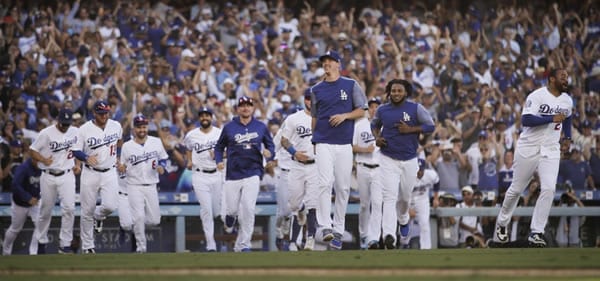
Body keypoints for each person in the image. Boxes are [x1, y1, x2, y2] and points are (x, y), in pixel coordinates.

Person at [494, 68, 573, 247]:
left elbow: (567, 117)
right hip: (529, 146)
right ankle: (502, 223)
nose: (566, 80)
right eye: (563, 77)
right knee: (516, 189)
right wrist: (551, 118)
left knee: (549, 189)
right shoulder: (537, 96)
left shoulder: (567, 100)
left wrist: (567, 138)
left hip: (551, 149)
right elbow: (526, 120)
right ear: (552, 79)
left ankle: (536, 232)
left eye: (567, 77)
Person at [310, 50, 368, 250]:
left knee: (343, 188)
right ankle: (325, 226)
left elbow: (363, 110)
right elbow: (315, 117)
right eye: (324, 61)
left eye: (329, 61)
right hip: (323, 141)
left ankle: (338, 230)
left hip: (344, 142)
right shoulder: (316, 89)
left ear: (337, 63)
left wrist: (345, 116)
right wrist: (314, 139)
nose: (326, 63)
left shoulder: (351, 84)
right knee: (325, 183)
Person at [371, 78, 435, 249]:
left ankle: (404, 219)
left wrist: (411, 130)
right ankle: (389, 235)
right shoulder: (383, 110)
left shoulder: (415, 108)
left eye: (399, 91)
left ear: (406, 92)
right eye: (393, 91)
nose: (396, 94)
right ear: (389, 92)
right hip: (388, 158)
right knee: (389, 197)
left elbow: (430, 126)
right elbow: (374, 124)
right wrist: (377, 138)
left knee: (405, 197)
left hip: (409, 159)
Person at [214, 96, 275, 252]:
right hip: (233, 173)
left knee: (248, 208)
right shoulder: (229, 127)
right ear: (238, 109)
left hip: (253, 172)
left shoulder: (260, 126)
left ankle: (244, 244)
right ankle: (230, 218)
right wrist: (219, 160)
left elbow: (270, 145)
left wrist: (270, 154)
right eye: (242, 106)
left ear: (253, 108)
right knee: (232, 211)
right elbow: (219, 147)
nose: (245, 108)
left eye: (248, 105)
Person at [72, 100, 124, 254]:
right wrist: (86, 157)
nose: (104, 115)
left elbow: (119, 142)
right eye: (101, 113)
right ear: (94, 113)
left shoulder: (116, 126)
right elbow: (75, 151)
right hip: (90, 172)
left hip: (109, 172)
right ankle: (88, 246)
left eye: (106, 112)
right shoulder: (83, 129)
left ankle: (99, 216)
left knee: (110, 206)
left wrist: (118, 159)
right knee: (86, 211)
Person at [29, 108, 79, 254]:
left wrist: (77, 164)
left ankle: (65, 244)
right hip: (48, 175)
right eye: (63, 123)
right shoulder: (46, 133)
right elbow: (32, 151)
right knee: (45, 211)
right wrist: (44, 159)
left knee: (69, 209)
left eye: (67, 124)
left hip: (67, 175)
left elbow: (78, 149)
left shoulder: (74, 131)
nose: (65, 126)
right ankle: (41, 242)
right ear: (58, 120)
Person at [118, 115, 168, 253]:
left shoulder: (156, 142)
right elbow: (122, 166)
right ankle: (141, 248)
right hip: (134, 185)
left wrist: (162, 166)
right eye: (139, 127)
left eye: (144, 126)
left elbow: (163, 158)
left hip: (151, 185)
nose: (142, 129)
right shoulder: (127, 146)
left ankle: (133, 224)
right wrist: (121, 168)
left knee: (154, 220)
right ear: (134, 129)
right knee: (139, 217)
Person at [280, 90, 319, 251]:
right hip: (296, 164)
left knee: (313, 204)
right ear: (305, 100)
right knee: (295, 205)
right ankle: (300, 210)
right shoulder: (294, 118)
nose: (311, 102)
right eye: (308, 99)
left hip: (316, 165)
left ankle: (310, 239)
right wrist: (294, 152)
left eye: (314, 99)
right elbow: (284, 140)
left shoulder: (323, 118)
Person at [184, 107, 223, 252]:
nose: (204, 118)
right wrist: (189, 160)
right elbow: (187, 148)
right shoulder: (192, 135)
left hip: (217, 174)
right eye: (202, 116)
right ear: (199, 118)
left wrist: (220, 155)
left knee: (216, 211)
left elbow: (228, 151)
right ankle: (210, 243)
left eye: (207, 115)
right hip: (199, 175)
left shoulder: (219, 133)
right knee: (206, 210)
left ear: (211, 117)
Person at [352, 97, 383, 250]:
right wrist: (366, 149)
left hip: (379, 168)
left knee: (377, 204)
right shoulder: (359, 125)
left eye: (377, 106)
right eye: (371, 107)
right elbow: (351, 146)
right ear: (367, 109)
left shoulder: (385, 126)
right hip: (363, 166)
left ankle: (373, 238)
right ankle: (364, 235)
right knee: (365, 204)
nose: (374, 109)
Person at [2, 157, 41, 255]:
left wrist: (38, 196)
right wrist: (28, 198)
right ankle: (6, 252)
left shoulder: (43, 166)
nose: (40, 162)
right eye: (38, 159)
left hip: (35, 202)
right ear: (33, 159)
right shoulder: (24, 168)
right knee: (15, 229)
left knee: (40, 226)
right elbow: (15, 185)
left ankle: (33, 253)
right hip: (20, 203)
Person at [402, 158, 439, 249]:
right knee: (405, 223)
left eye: (421, 170)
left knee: (424, 224)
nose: (419, 172)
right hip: (408, 201)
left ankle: (426, 249)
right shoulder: (407, 177)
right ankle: (404, 244)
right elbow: (401, 194)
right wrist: (408, 209)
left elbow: (437, 182)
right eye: (417, 170)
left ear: (424, 169)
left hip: (423, 200)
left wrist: (436, 198)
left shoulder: (430, 174)